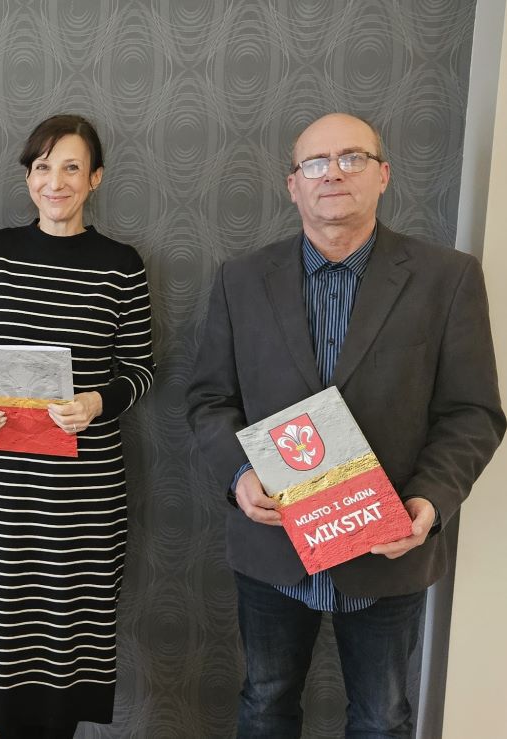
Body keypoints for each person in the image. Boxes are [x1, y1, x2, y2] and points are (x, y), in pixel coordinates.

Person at [186, 112, 504, 737]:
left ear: (383, 175)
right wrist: (240, 474)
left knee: (383, 718)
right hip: (273, 544)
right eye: (315, 163)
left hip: (389, 546)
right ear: (292, 185)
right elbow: (207, 399)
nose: (333, 173)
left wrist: (430, 502)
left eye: (352, 158)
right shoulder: (242, 279)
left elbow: (473, 411)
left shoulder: (447, 279)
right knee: (264, 703)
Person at [0, 114, 155, 738]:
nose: (55, 180)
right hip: (5, 485)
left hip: (85, 493)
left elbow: (143, 369)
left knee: (71, 626)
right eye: (42, 167)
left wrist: (99, 402)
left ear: (95, 178)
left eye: (71, 167)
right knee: (8, 626)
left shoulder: (122, 265)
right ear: (29, 178)